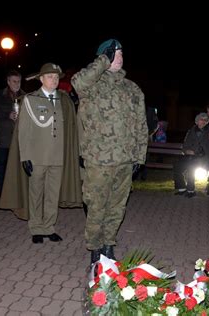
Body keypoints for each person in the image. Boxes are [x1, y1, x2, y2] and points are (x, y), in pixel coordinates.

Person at [71, 39, 148, 264]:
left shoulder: (132, 88)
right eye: (114, 53)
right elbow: (77, 83)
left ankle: (108, 244)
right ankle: (94, 246)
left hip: (125, 160)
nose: (119, 57)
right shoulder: (91, 85)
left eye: (121, 54)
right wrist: (103, 60)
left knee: (117, 206)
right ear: (102, 57)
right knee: (96, 205)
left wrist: (139, 156)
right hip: (98, 159)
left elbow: (141, 125)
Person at [0, 63, 82, 244]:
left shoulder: (64, 100)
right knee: (36, 193)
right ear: (41, 79)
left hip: (58, 157)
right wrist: (25, 156)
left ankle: (49, 227)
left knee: (52, 195)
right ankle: (36, 228)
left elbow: (71, 129)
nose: (54, 80)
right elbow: (24, 131)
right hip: (37, 156)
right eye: (50, 76)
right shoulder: (30, 99)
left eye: (57, 77)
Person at [0, 70, 26, 196]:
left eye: (19, 81)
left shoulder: (26, 96)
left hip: (19, 138)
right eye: (14, 81)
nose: (17, 84)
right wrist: (7, 115)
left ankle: (17, 191)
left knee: (19, 166)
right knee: (2, 166)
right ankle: (3, 192)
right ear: (8, 82)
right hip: (4, 138)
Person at [173, 113, 209, 198]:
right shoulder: (191, 131)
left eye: (205, 120)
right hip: (189, 156)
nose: (203, 121)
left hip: (203, 158)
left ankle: (191, 190)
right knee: (177, 165)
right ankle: (182, 188)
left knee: (191, 166)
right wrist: (186, 150)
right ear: (197, 121)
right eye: (201, 119)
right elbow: (185, 145)